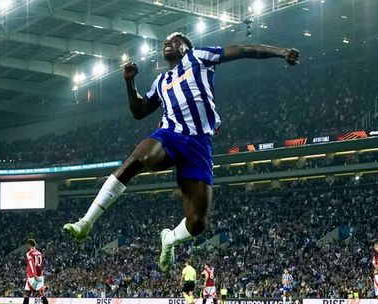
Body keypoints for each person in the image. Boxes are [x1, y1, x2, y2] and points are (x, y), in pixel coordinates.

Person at [63, 31, 299, 272]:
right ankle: (86, 222)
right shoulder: (161, 81)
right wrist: (129, 81)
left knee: (197, 223)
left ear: (186, 46)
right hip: (170, 134)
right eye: (166, 40)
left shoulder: (199, 57)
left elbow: (244, 50)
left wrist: (280, 52)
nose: (168, 41)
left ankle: (170, 239)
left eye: (175, 39)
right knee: (138, 158)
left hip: (198, 144)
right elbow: (140, 111)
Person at [23, 239, 48, 304]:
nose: (27, 247)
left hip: (33, 277)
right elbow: (42, 264)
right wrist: (41, 274)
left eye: (27, 246)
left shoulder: (29, 253)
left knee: (27, 294)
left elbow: (31, 264)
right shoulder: (39, 253)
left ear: (29, 245)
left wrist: (34, 274)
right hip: (40, 276)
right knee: (42, 294)